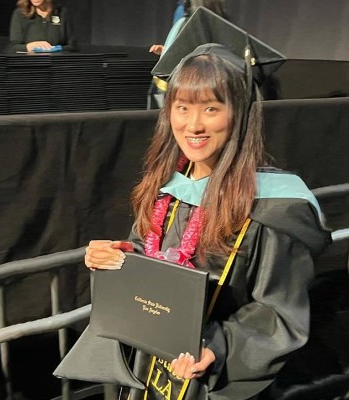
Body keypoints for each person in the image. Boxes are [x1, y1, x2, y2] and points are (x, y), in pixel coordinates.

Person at [58, 14, 331, 399]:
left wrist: (217, 347)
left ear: (240, 114)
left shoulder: (272, 208)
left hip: (212, 377)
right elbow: (153, 253)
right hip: (150, 368)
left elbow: (279, 315)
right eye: (182, 107)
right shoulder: (168, 185)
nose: (194, 125)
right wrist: (119, 258)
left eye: (211, 108)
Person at [9, 0, 77, 53]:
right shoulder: (20, 13)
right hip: (31, 64)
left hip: (57, 64)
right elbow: (14, 46)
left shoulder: (62, 12)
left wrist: (57, 48)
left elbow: (73, 46)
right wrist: (29, 46)